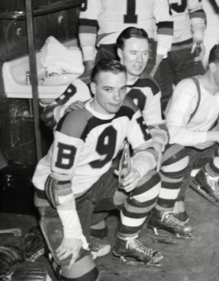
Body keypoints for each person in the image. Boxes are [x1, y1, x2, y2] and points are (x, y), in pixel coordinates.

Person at [42, 28, 193, 239]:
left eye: (145, 53)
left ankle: (160, 213)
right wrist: (63, 112)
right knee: (80, 242)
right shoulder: (91, 81)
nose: (140, 60)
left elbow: (158, 125)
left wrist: (156, 144)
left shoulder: (149, 85)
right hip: (91, 161)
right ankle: (93, 217)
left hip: (126, 153)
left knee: (174, 154)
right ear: (120, 53)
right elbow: (47, 113)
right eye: (133, 53)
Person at [32, 60, 163, 281]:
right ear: (93, 88)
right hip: (57, 198)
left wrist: (137, 169)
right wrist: (71, 235)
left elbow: (149, 148)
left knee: (147, 180)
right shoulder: (75, 122)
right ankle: (49, 238)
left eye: (122, 89)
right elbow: (59, 183)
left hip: (94, 185)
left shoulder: (128, 107)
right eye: (108, 89)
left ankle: (124, 240)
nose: (117, 97)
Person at [165, 44, 219, 211]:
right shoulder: (188, 88)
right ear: (212, 67)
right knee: (175, 213)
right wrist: (213, 136)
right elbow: (172, 134)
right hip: (179, 149)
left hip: (206, 143)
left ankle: (208, 176)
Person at [142, 0, 207, 109]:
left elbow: (196, 9)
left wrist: (199, 37)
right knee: (160, 99)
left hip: (185, 46)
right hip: (157, 49)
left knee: (199, 94)